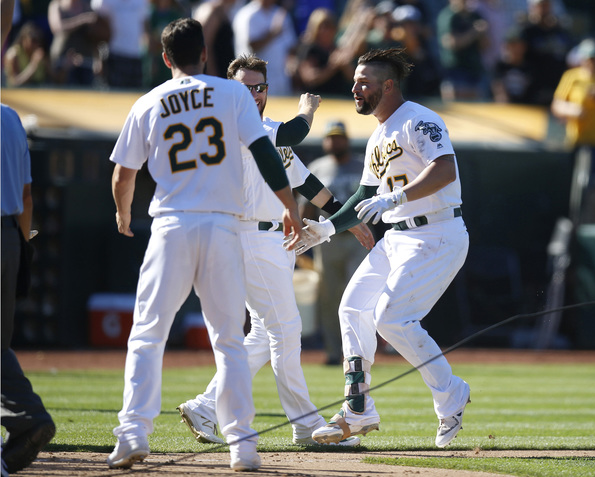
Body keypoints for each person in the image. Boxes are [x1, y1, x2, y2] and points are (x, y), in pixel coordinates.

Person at [107, 18, 302, 472]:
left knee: (148, 333)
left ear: (165, 57)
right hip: (222, 226)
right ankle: (242, 445)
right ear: (205, 54)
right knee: (229, 340)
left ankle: (133, 432)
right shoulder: (233, 94)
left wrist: (122, 213)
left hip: (171, 224)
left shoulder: (149, 100)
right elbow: (265, 152)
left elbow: (123, 174)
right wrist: (289, 205)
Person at [176, 54, 373, 447]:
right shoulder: (235, 125)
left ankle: (205, 406)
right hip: (251, 237)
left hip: (270, 241)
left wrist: (345, 219)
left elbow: (307, 183)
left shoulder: (267, 130)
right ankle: (306, 425)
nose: (253, 94)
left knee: (264, 335)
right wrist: (307, 108)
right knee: (287, 330)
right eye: (244, 87)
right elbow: (295, 132)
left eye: (260, 87)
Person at [287, 47, 471, 448]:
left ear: (388, 85)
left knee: (392, 318)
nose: (355, 88)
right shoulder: (378, 134)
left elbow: (445, 169)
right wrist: (327, 228)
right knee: (352, 308)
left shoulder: (418, 119)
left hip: (437, 232)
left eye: (363, 82)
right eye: (355, 81)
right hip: (398, 237)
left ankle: (450, 392)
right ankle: (358, 408)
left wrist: (396, 197)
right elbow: (363, 196)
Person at [1, 103, 56, 474]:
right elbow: (26, 197)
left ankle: (28, 417)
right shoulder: (10, 117)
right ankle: (26, 421)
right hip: (9, 237)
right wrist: (21, 247)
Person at [301, 120, 369, 365]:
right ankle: (332, 351)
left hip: (359, 238)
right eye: (331, 137)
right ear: (324, 141)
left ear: (347, 140)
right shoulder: (318, 167)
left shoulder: (363, 165)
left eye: (339, 137)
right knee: (329, 297)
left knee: (359, 293)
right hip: (328, 240)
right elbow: (306, 206)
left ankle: (360, 351)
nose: (335, 141)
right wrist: (302, 239)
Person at [551, 38, 595, 223]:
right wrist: (573, 110)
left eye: (594, 58)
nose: (591, 62)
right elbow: (557, 105)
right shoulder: (572, 77)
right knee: (572, 185)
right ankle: (571, 220)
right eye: (588, 58)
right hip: (575, 142)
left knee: (593, 186)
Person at [232, 0, 297, 96]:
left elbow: (291, 46)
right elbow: (252, 46)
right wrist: (272, 33)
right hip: (253, 82)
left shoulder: (281, 13)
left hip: (281, 79)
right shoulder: (247, 15)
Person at [436, 0, 490, 101]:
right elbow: (451, 43)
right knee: (457, 105)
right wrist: (474, 33)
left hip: (475, 70)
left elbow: (486, 45)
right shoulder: (449, 16)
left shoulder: (475, 16)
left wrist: (483, 33)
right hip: (456, 71)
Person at [91, 0, 149, 89]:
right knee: (115, 93)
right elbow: (98, 32)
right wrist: (98, 58)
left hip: (136, 56)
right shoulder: (104, 2)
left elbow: (146, 28)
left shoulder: (142, 2)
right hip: (114, 56)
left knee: (136, 94)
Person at [193, 0, 236, 78]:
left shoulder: (222, 10)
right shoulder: (212, 11)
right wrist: (212, 74)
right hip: (217, 71)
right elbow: (205, 44)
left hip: (223, 69)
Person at [3, 20, 53, 87]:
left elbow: (56, 81)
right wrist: (33, 65)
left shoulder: (42, 54)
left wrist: (48, 66)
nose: (36, 44)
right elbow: (14, 83)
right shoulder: (13, 55)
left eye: (38, 40)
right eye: (33, 40)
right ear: (24, 39)